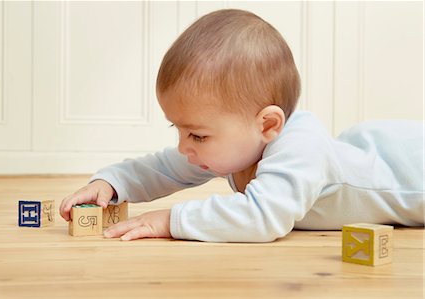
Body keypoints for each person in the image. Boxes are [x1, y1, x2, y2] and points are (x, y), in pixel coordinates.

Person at [59, 9, 424, 242]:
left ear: (267, 124)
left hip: (412, 174)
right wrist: (111, 182)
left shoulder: (301, 145)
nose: (186, 147)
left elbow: (263, 217)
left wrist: (170, 221)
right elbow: (164, 167)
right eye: (179, 131)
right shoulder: (237, 143)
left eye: (197, 135)